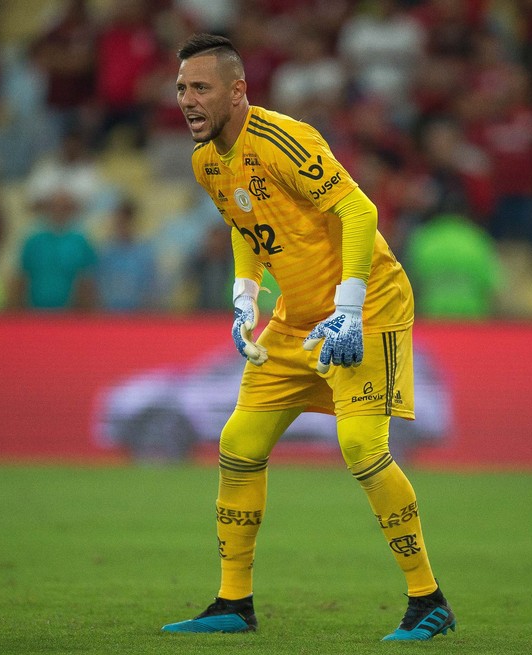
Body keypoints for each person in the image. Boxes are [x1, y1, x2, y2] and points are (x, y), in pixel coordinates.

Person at [161, 33, 456, 642]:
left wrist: (348, 309)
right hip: (295, 317)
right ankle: (232, 602)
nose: (187, 100)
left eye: (201, 88)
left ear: (238, 90)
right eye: (182, 88)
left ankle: (429, 599)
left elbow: (360, 212)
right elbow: (248, 226)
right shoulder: (206, 161)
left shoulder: (282, 140)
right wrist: (245, 298)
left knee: (361, 450)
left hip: (367, 308)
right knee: (238, 443)